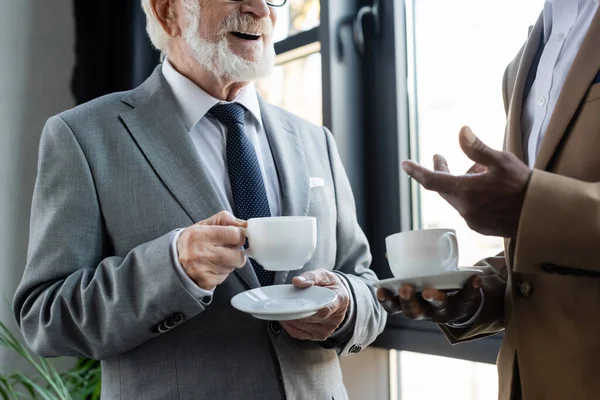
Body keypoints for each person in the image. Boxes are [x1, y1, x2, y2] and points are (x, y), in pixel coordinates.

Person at [12, 0, 386, 398]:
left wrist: (346, 306)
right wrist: (172, 268)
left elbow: (366, 285)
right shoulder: (83, 136)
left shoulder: (316, 140)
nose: (261, 8)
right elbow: (45, 319)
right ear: (166, 11)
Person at [377, 1, 600, 399]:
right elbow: (542, 257)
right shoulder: (522, 64)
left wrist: (534, 204)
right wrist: (475, 296)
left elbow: (540, 212)